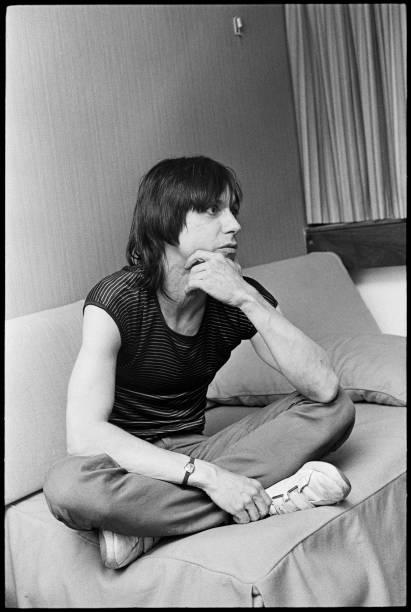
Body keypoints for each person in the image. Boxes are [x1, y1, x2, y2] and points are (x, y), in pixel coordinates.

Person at [44, 156, 355, 570]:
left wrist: (246, 297)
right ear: (166, 220)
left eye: (232, 210)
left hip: (200, 446)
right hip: (128, 463)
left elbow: (323, 388)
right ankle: (274, 497)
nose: (234, 225)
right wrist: (212, 478)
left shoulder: (238, 295)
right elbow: (84, 437)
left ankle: (147, 525)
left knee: (337, 408)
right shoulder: (116, 300)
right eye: (213, 210)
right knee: (67, 488)